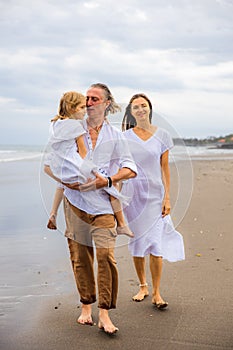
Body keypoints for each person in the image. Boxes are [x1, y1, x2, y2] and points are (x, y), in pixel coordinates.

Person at [44, 83, 137, 334]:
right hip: (74, 202)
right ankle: (86, 306)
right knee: (80, 257)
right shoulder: (70, 127)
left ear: (107, 103)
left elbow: (130, 168)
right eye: (86, 98)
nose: (88, 102)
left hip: (103, 203)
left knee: (106, 256)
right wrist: (63, 181)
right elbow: (52, 161)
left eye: (94, 98)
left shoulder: (116, 136)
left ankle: (104, 313)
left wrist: (106, 180)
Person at [121, 93, 185, 309]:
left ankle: (157, 293)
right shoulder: (126, 137)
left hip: (156, 197)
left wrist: (167, 196)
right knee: (138, 243)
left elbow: (165, 168)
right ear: (131, 112)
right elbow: (121, 167)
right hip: (133, 197)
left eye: (143, 106)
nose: (140, 110)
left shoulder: (163, 135)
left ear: (149, 108)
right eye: (136, 107)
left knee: (156, 245)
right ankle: (142, 286)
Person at [45, 91, 134, 238]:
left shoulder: (54, 125)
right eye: (82, 107)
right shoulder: (77, 127)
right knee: (109, 185)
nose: (86, 111)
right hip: (76, 166)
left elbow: (52, 154)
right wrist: (92, 169)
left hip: (60, 168)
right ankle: (122, 224)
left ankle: (54, 213)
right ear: (72, 108)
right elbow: (83, 152)